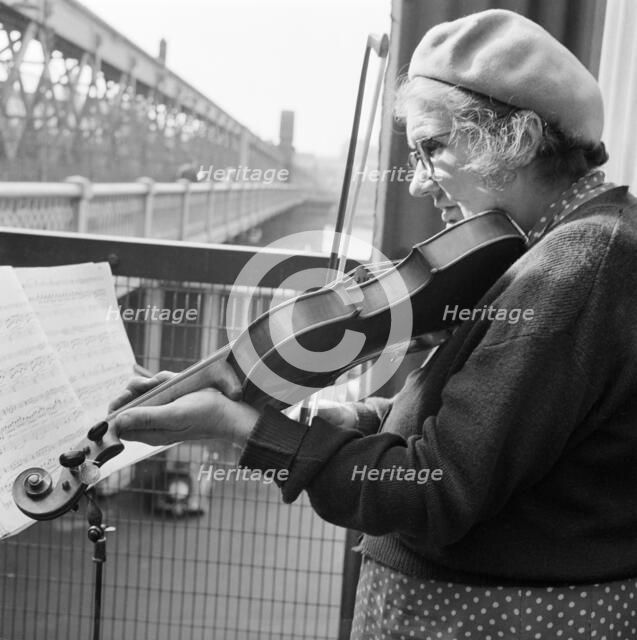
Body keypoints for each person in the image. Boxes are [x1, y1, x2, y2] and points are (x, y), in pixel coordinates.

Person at [110, 10, 637, 639]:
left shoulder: (577, 267)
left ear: (512, 137)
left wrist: (239, 427)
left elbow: (432, 489)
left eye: (432, 147)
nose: (416, 183)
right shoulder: (562, 249)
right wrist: (349, 418)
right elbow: (488, 433)